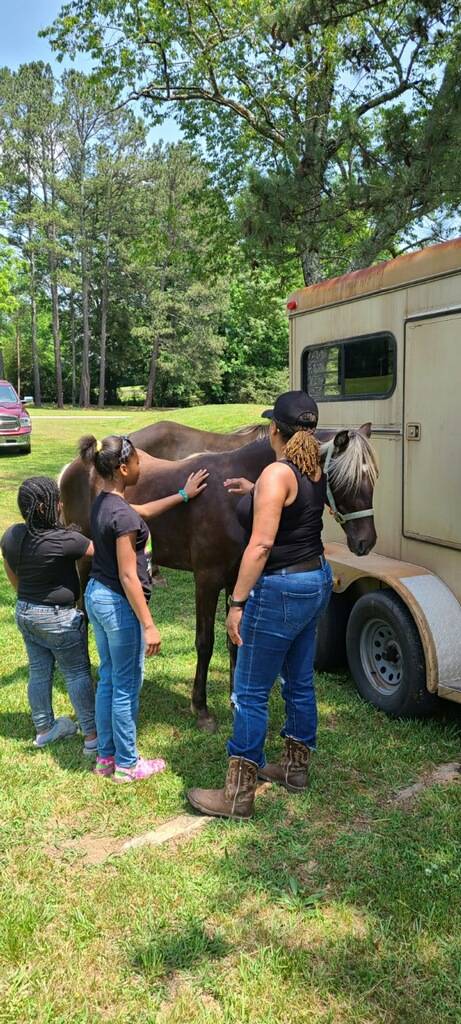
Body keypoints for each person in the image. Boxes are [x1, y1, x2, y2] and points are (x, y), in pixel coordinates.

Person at [187, 391, 333, 819]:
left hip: (282, 588)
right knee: (299, 681)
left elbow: (262, 544)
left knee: (249, 692)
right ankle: (294, 769)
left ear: (275, 430)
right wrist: (257, 492)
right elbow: (298, 506)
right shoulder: (315, 467)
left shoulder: (277, 473)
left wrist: (236, 603)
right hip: (316, 578)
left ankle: (237, 795)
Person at [80, 434, 208, 784]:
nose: (142, 464)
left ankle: (106, 757)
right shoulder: (121, 515)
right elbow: (127, 574)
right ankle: (127, 763)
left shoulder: (106, 502)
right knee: (125, 685)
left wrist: (183, 495)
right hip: (119, 604)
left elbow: (144, 512)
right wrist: (149, 624)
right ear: (124, 468)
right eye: (138, 460)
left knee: (108, 678)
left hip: (97, 595)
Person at [1, 476, 97, 754]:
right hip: (59, 619)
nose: (62, 504)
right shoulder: (66, 539)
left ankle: (45, 729)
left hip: (25, 613)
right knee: (77, 673)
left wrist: (26, 596)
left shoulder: (12, 534)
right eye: (57, 500)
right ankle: (92, 737)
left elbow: (9, 565)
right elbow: (101, 551)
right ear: (45, 507)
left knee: (39, 671)